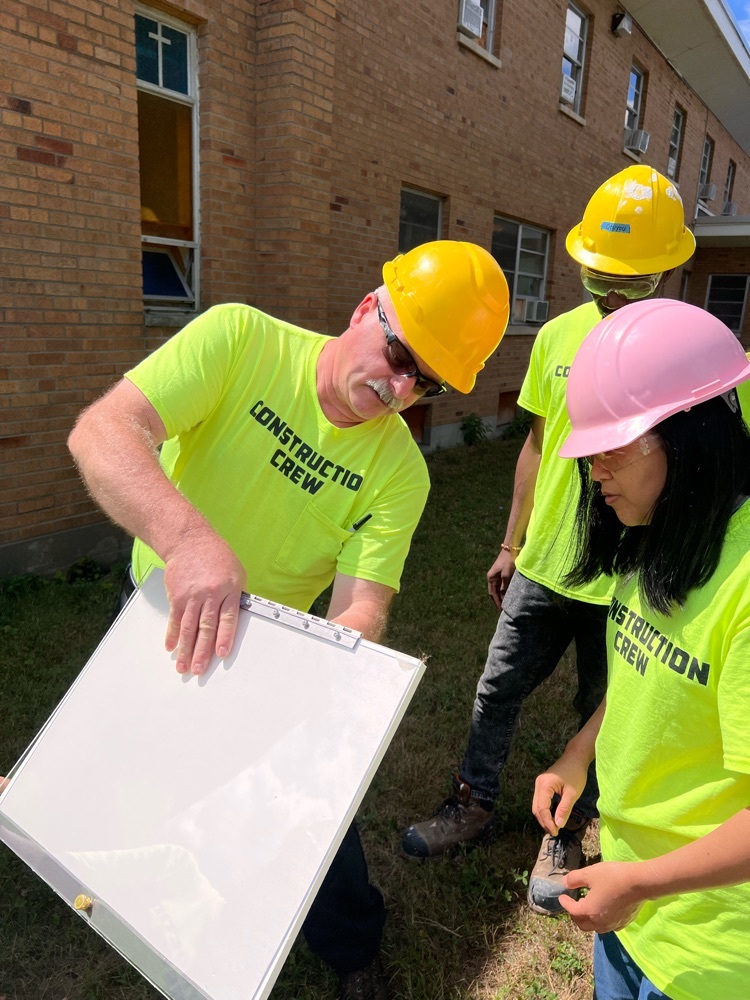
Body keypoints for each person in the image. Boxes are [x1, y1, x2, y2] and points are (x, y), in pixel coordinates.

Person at [67, 240, 509, 1000]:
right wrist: (188, 539)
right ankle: (138, 896)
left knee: (311, 818)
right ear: (366, 307)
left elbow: (362, 602)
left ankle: (353, 953)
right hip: (153, 617)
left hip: (267, 650)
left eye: (424, 381)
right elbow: (101, 433)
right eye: (399, 353)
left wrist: (335, 661)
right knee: (134, 777)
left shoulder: (400, 471)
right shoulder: (240, 339)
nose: (400, 387)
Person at [400, 166, 696, 918]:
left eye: (632, 277)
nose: (612, 291)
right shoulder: (561, 336)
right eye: (599, 274)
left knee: (603, 711)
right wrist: (509, 543)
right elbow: (536, 446)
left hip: (630, 581)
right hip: (546, 566)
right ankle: (472, 801)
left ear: (673, 267)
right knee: (496, 688)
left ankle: (563, 831)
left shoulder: (690, 352)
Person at [532, 297, 750, 1000]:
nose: (595, 474)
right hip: (629, 905)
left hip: (709, 948)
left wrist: (642, 883)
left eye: (612, 450)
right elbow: (643, 669)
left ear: (689, 439)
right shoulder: (662, 528)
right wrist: (580, 750)